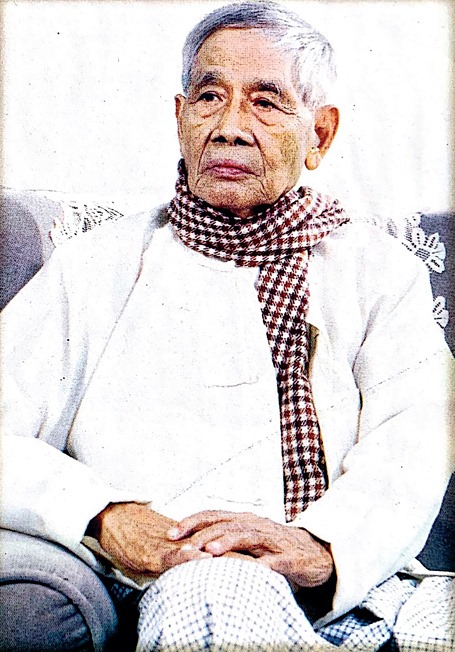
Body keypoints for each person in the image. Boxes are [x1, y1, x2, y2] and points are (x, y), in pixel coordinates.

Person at [1, 2, 454, 650]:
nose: (230, 127)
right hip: (186, 587)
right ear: (180, 117)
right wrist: (103, 515)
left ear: (320, 135)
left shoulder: (377, 271)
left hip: (359, 589)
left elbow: (417, 435)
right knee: (219, 592)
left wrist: (323, 548)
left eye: (265, 102)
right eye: (210, 97)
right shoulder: (98, 268)